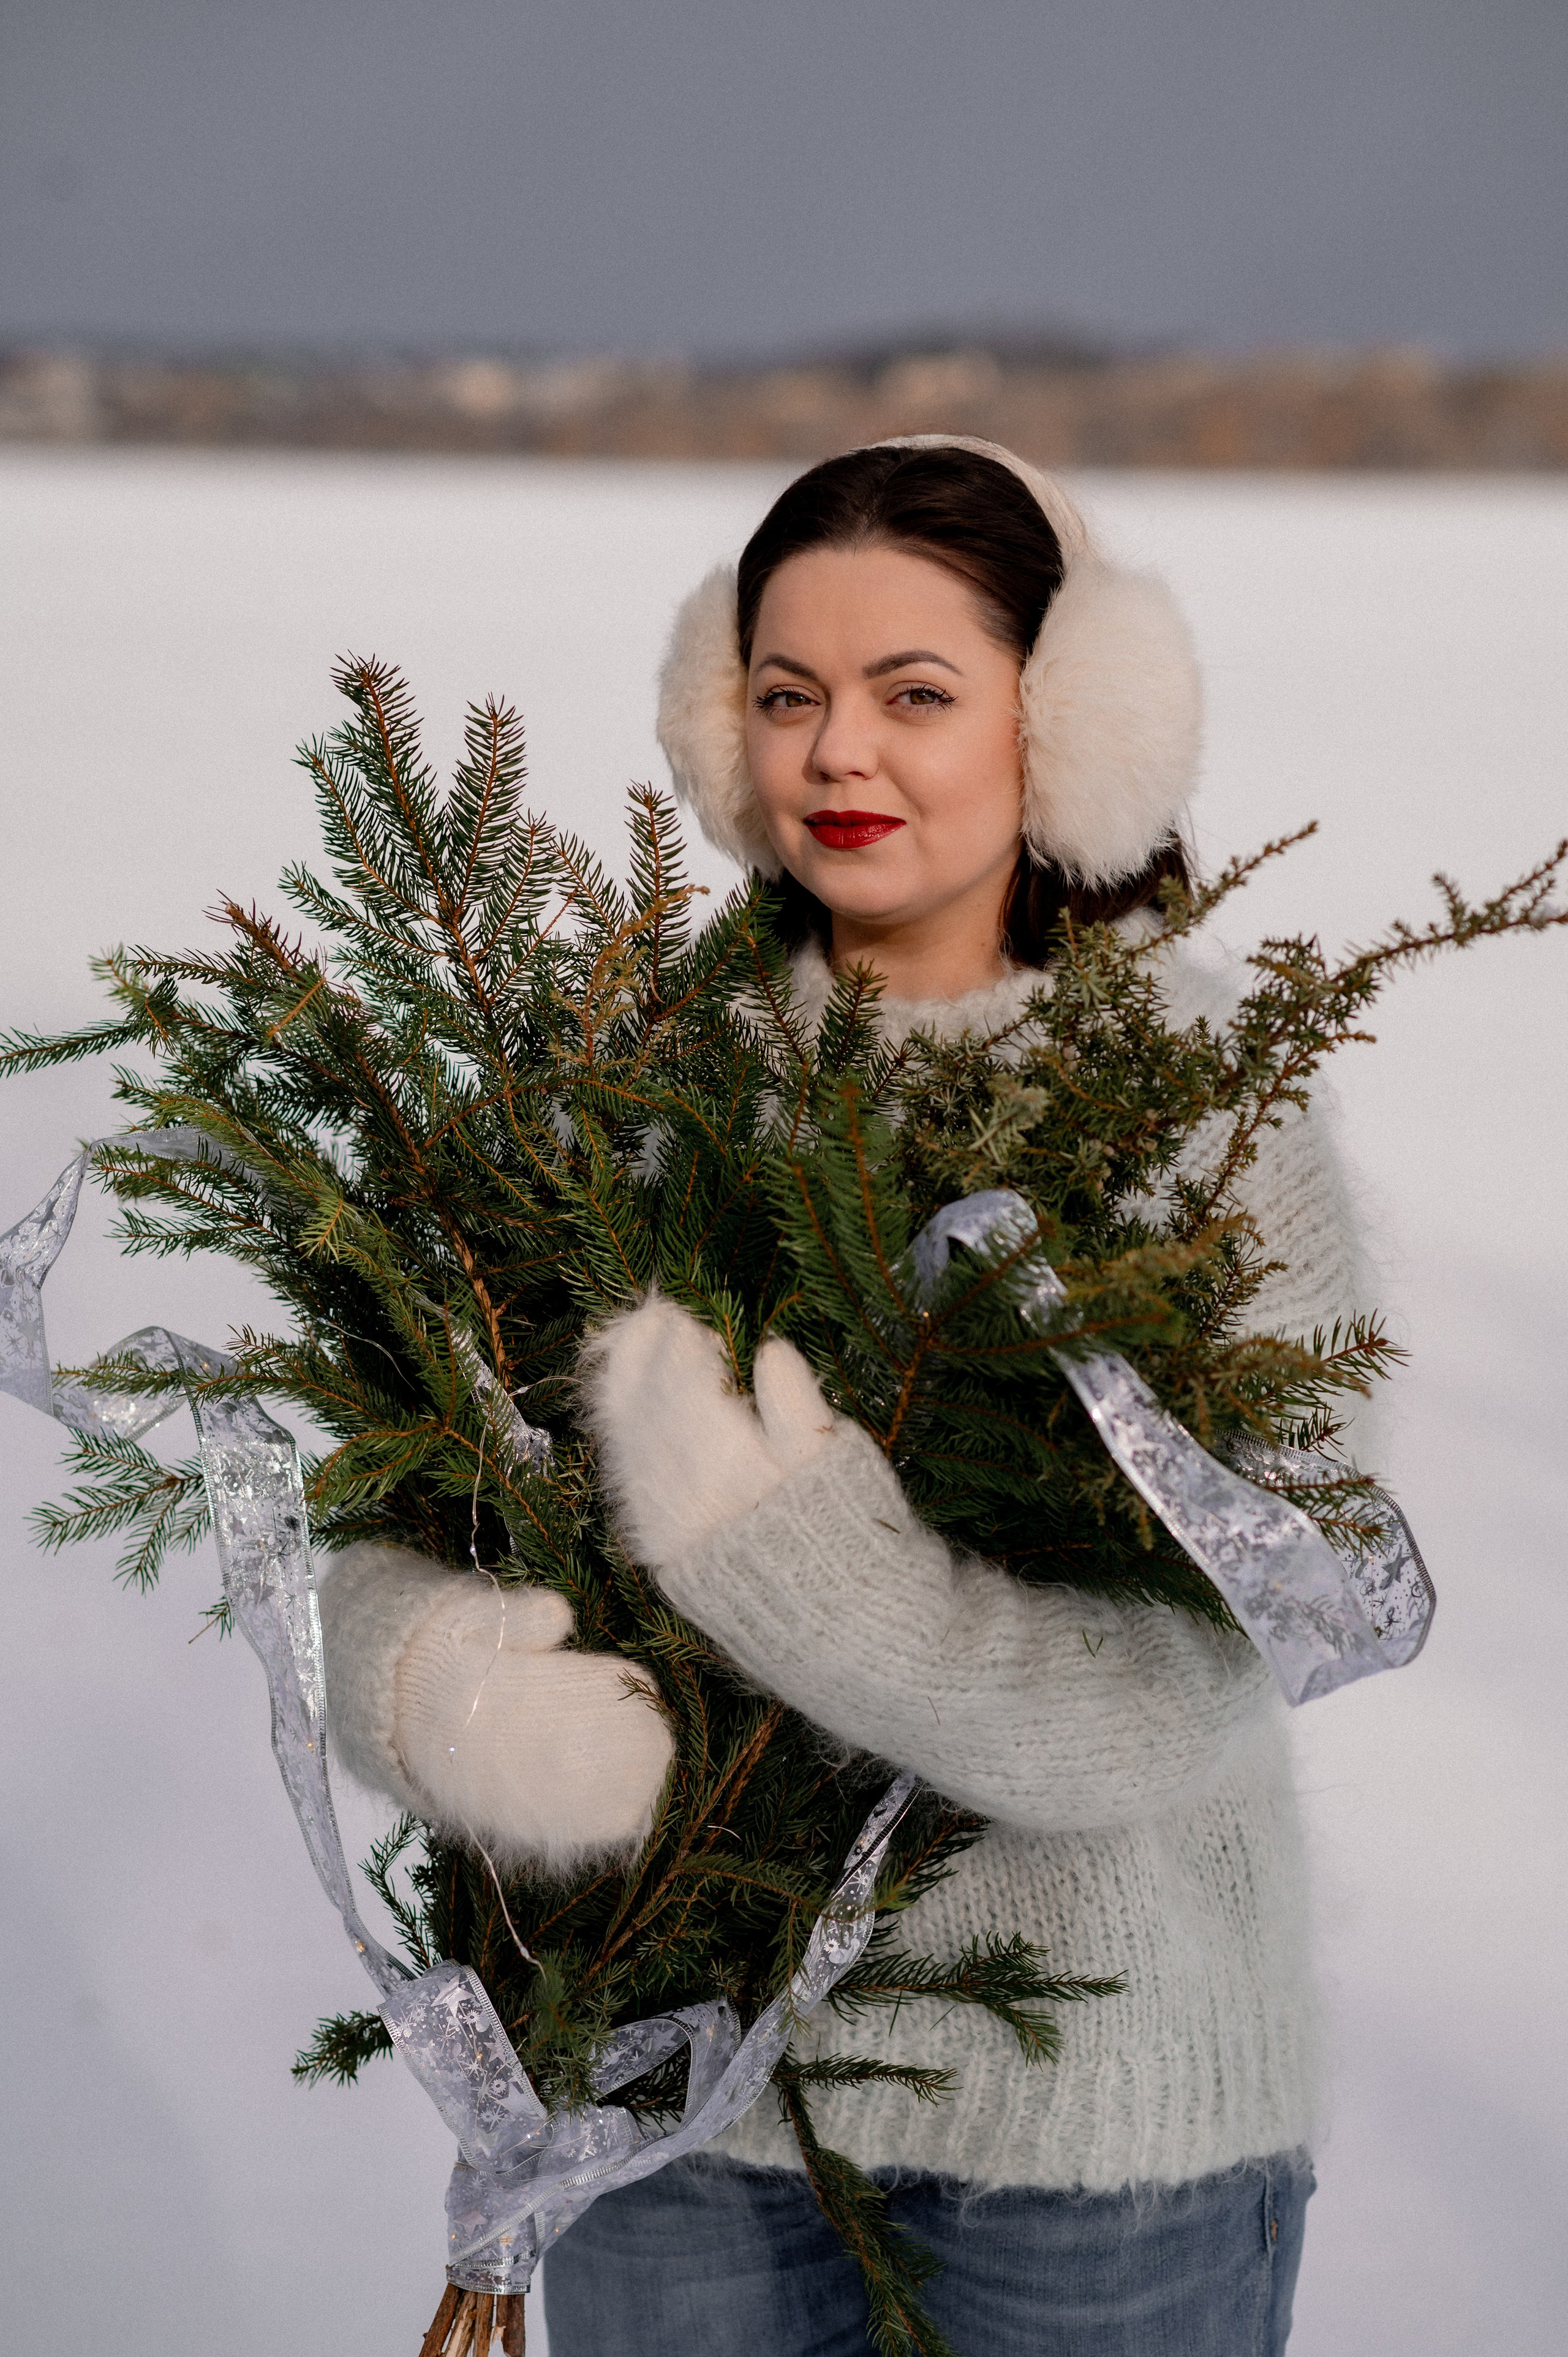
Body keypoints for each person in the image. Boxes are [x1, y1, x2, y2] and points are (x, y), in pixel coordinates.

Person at [321, 438, 1368, 2355]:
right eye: (787, 697)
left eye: (915, 696)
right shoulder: (628, 1094)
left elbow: (1215, 1665)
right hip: (671, 2112)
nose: (834, 758)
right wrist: (438, 1688)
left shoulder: (1204, 1115)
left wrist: (799, 1573)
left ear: (1065, 724)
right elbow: (400, 1502)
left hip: (1107, 2153)